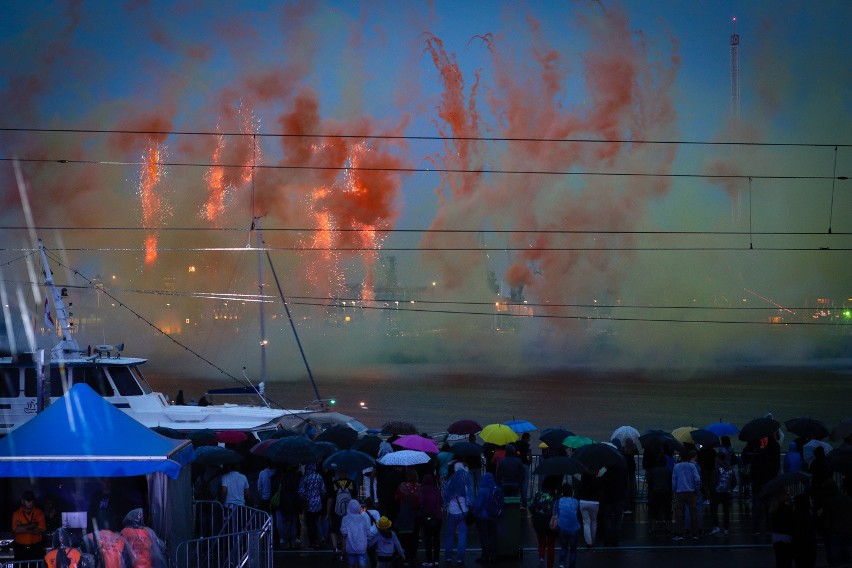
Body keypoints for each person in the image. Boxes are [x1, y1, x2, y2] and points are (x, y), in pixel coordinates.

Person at [444, 461, 473, 565]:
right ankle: (460, 558)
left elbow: (445, 496)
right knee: (462, 535)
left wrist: (444, 507)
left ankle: (448, 557)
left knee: (450, 535)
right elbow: (469, 498)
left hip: (452, 511)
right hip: (464, 511)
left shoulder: (451, 481)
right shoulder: (466, 480)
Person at [671, 449, 701, 541]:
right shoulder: (692, 466)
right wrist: (696, 488)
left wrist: (674, 491)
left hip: (680, 492)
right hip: (691, 491)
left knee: (679, 514)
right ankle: (695, 533)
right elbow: (697, 478)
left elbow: (674, 480)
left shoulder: (676, 466)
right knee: (693, 513)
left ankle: (679, 534)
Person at [530, 476, 560, 568]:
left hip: (539, 521)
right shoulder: (555, 497)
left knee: (541, 542)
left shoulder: (538, 494)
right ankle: (549, 565)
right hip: (551, 522)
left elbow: (531, 507)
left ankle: (541, 558)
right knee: (551, 545)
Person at [394, 468, 421, 565]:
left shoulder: (402, 486)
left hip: (404, 513)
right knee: (415, 535)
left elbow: (396, 498)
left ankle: (405, 554)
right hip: (415, 514)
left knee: (404, 535)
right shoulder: (419, 487)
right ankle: (413, 554)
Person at [328, 470, 358, 561]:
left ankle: (335, 548)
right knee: (345, 531)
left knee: (333, 530)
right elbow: (355, 499)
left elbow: (330, 499)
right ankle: (343, 551)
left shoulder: (334, 483)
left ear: (338, 474)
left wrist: (328, 512)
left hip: (335, 511)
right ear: (347, 473)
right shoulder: (352, 483)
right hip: (349, 513)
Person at [472, 472, 501, 565]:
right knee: (492, 536)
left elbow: (478, 505)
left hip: (483, 517)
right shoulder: (497, 489)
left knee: (484, 537)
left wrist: (474, 514)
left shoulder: (482, 490)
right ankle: (493, 556)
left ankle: (485, 556)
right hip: (493, 516)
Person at [340, 499, 376, 568]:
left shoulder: (345, 519)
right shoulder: (363, 519)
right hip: (362, 547)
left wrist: (343, 550)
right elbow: (368, 533)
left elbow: (343, 534)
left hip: (350, 548)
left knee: (352, 564)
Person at [298, 462, 327, 549]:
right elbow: (323, 490)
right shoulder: (319, 477)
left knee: (310, 523)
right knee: (317, 521)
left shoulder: (304, 478)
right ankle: (321, 539)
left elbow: (301, 492)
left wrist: (305, 498)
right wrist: (318, 497)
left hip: (308, 504)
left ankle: (312, 540)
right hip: (318, 503)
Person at [12, 489, 47, 561]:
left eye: (32, 500)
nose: (31, 502)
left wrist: (22, 526)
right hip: (20, 549)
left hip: (36, 548)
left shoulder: (39, 512)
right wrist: (33, 525)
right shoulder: (16, 514)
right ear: (22, 501)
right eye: (28, 500)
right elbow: (16, 530)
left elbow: (42, 529)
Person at [553, 483, 581, 568]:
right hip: (574, 527)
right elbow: (577, 513)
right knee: (573, 550)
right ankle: (572, 566)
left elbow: (555, 513)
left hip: (563, 526)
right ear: (571, 491)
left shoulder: (559, 501)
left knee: (563, 548)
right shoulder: (575, 501)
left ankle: (561, 564)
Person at [709, 450, 736, 537]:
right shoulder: (730, 468)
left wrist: (711, 489)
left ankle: (716, 527)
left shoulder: (716, 467)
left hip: (717, 491)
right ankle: (726, 528)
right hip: (727, 491)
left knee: (714, 509)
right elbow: (734, 481)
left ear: (718, 458)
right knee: (726, 510)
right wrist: (730, 488)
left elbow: (714, 480)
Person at [419, 473, 443, 567]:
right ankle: (436, 560)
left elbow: (421, 502)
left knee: (428, 540)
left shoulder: (423, 490)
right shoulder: (436, 489)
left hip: (427, 516)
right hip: (438, 516)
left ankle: (429, 560)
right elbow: (441, 501)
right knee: (436, 539)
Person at [576, 467, 604, 547]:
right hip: (594, 502)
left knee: (586, 522)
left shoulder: (582, 478)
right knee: (594, 522)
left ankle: (589, 542)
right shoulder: (598, 480)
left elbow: (579, 490)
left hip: (583, 501)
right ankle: (593, 539)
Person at [645, 456, 673, 535]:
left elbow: (649, 482)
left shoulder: (652, 471)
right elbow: (670, 481)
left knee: (654, 511)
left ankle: (653, 528)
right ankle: (668, 528)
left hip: (655, 492)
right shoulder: (668, 471)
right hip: (666, 492)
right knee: (667, 510)